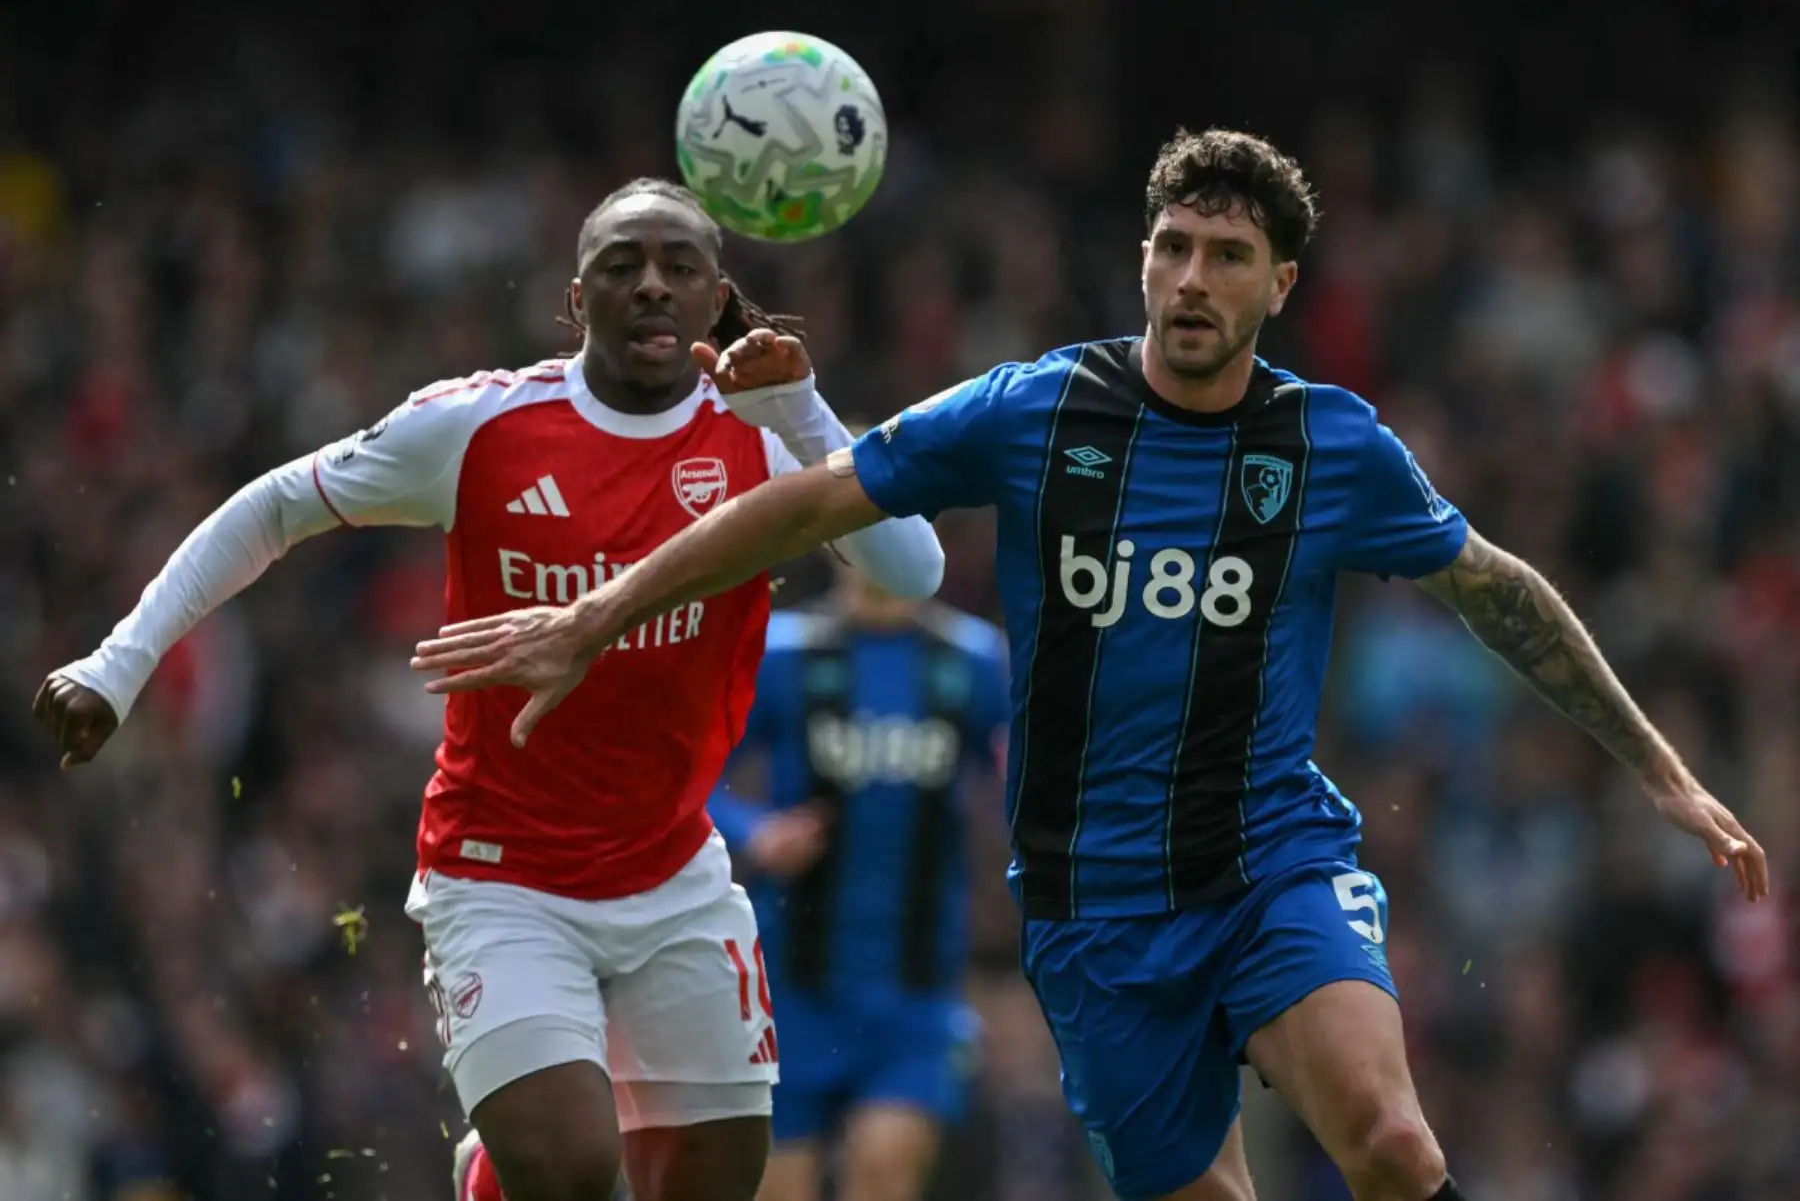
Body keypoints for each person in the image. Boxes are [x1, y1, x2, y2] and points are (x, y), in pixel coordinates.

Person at [405, 130, 1772, 1201]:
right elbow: (809, 502)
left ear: (1278, 286)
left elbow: (1498, 591)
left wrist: (1663, 774)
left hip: (1269, 861)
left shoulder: (1332, 446)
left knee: (1395, 1144)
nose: (1191, 279)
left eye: (1227, 256)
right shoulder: (1033, 408)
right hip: (1091, 911)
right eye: (1173, 247)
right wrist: (598, 614)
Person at [31, 178, 946, 1201]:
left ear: (717, 297)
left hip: (674, 867)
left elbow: (914, 570)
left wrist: (801, 408)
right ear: (575, 301)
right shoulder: (481, 426)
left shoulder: (764, 438)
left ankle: (492, 1166)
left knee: (713, 1180)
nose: (651, 285)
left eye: (679, 267)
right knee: (570, 1169)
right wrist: (116, 664)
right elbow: (274, 506)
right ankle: (500, 1170)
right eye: (622, 266)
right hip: (501, 872)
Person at [709, 561, 1008, 1201]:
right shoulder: (782, 653)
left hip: (918, 992)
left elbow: (1029, 782)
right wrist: (754, 833)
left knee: (883, 1170)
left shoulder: (975, 661)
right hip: (792, 988)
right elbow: (699, 777)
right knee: (780, 1188)